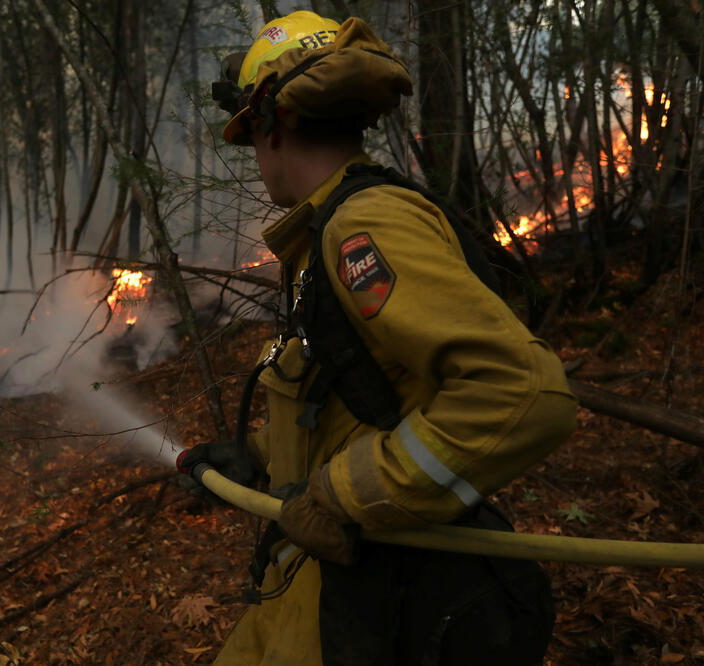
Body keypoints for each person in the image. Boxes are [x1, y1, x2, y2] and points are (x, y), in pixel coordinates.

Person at [182, 10, 578, 665]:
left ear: (271, 125)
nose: (256, 158)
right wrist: (255, 458)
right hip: (321, 588)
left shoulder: (364, 227)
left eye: (249, 136)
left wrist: (342, 496)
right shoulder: (332, 228)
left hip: (376, 599)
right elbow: (364, 394)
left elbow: (522, 393)